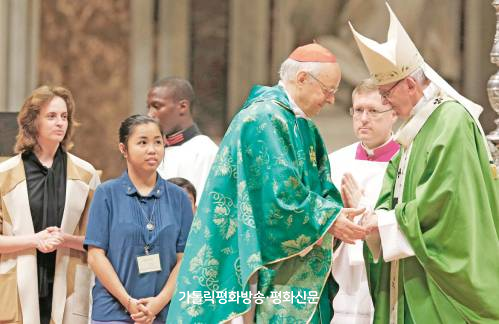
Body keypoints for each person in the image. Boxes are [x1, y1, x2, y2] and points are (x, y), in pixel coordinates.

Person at [166, 43, 367, 323]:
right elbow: (278, 198)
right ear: (302, 79)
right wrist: (329, 219)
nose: (332, 100)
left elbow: (321, 185)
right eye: (328, 90)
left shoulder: (302, 125)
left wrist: (335, 212)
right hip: (267, 272)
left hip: (294, 264)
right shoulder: (264, 119)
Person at [349, 3, 499, 323]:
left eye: (387, 94)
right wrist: (374, 217)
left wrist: (386, 223)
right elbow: (394, 191)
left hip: (442, 285)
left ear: (411, 85)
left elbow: (447, 203)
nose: (385, 102)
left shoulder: (451, 122)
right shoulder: (414, 132)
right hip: (411, 271)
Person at [0, 85, 100, 324]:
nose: (60, 123)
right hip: (16, 282)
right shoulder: (4, 174)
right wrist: (35, 240)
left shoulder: (86, 175)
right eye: (51, 116)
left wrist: (64, 239)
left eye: (64, 117)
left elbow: (96, 241)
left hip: (68, 282)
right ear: (32, 121)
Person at [84, 115, 193, 323]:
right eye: (142, 142)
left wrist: (157, 304)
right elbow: (95, 256)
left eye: (158, 142)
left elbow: (185, 259)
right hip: (113, 312)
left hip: (164, 312)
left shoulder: (179, 197)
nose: (152, 149)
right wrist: (129, 302)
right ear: (123, 149)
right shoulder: (106, 193)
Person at [328, 78, 399, 324]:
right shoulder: (335, 161)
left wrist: (364, 205)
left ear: (393, 115)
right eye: (358, 110)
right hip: (342, 279)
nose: (364, 118)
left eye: (373, 111)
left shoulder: (405, 162)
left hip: (386, 280)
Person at [147, 77, 218, 203]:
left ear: (183, 107)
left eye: (157, 106)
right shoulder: (154, 152)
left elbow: (203, 208)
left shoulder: (205, 151)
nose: (150, 114)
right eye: (149, 107)